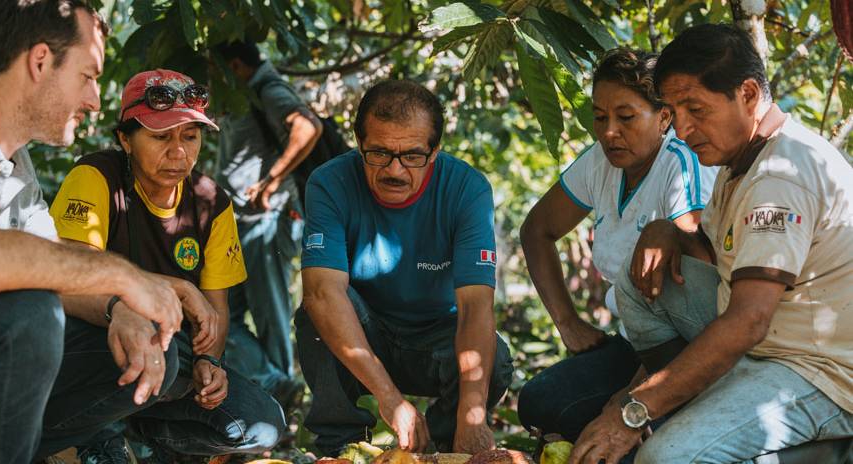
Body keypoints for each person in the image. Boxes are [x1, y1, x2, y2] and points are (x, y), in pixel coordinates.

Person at [568, 24, 853, 464]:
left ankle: (817, 446)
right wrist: (669, 231)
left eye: (695, 109)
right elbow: (714, 257)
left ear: (748, 95)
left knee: (664, 458)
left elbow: (747, 321)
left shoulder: (781, 176)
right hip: (769, 340)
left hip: (820, 372)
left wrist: (633, 410)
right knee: (637, 275)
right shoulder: (742, 158)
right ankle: (689, 398)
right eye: (673, 111)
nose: (681, 129)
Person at [0, 1, 183, 461]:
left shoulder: (15, 163)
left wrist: (120, 307)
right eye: (89, 76)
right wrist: (125, 277)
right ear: (40, 61)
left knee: (149, 347)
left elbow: (51, 266)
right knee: (28, 318)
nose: (95, 100)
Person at [45, 69, 286, 462]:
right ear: (125, 138)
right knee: (163, 351)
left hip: (175, 363)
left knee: (262, 424)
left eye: (189, 137)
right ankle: (86, 436)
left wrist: (210, 361)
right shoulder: (97, 176)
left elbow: (216, 308)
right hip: (95, 351)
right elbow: (66, 273)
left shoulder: (212, 202)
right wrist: (175, 287)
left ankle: (142, 437)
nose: (178, 152)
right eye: (160, 137)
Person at [297, 79, 514, 456]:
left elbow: (475, 307)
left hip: (436, 342)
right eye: (378, 153)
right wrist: (390, 399)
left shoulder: (467, 188)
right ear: (358, 142)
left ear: (435, 151)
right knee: (316, 311)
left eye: (412, 156)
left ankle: (446, 444)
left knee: (494, 360)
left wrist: (473, 416)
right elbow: (322, 292)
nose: (394, 171)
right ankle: (341, 446)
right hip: (365, 334)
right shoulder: (329, 182)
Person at [517, 48, 717, 443]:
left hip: (683, 350)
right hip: (632, 344)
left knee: (629, 445)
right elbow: (537, 230)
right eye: (599, 117)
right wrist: (568, 324)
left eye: (625, 117)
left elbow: (699, 296)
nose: (609, 132)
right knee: (539, 402)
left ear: (664, 117)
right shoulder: (600, 162)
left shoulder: (681, 164)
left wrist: (631, 398)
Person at [215, 40, 323, 402]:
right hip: (240, 222)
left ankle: (281, 403)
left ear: (233, 65)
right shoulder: (245, 92)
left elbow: (307, 127)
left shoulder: (267, 87)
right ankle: (274, 384)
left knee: (270, 313)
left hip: (268, 218)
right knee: (221, 317)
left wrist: (272, 179)